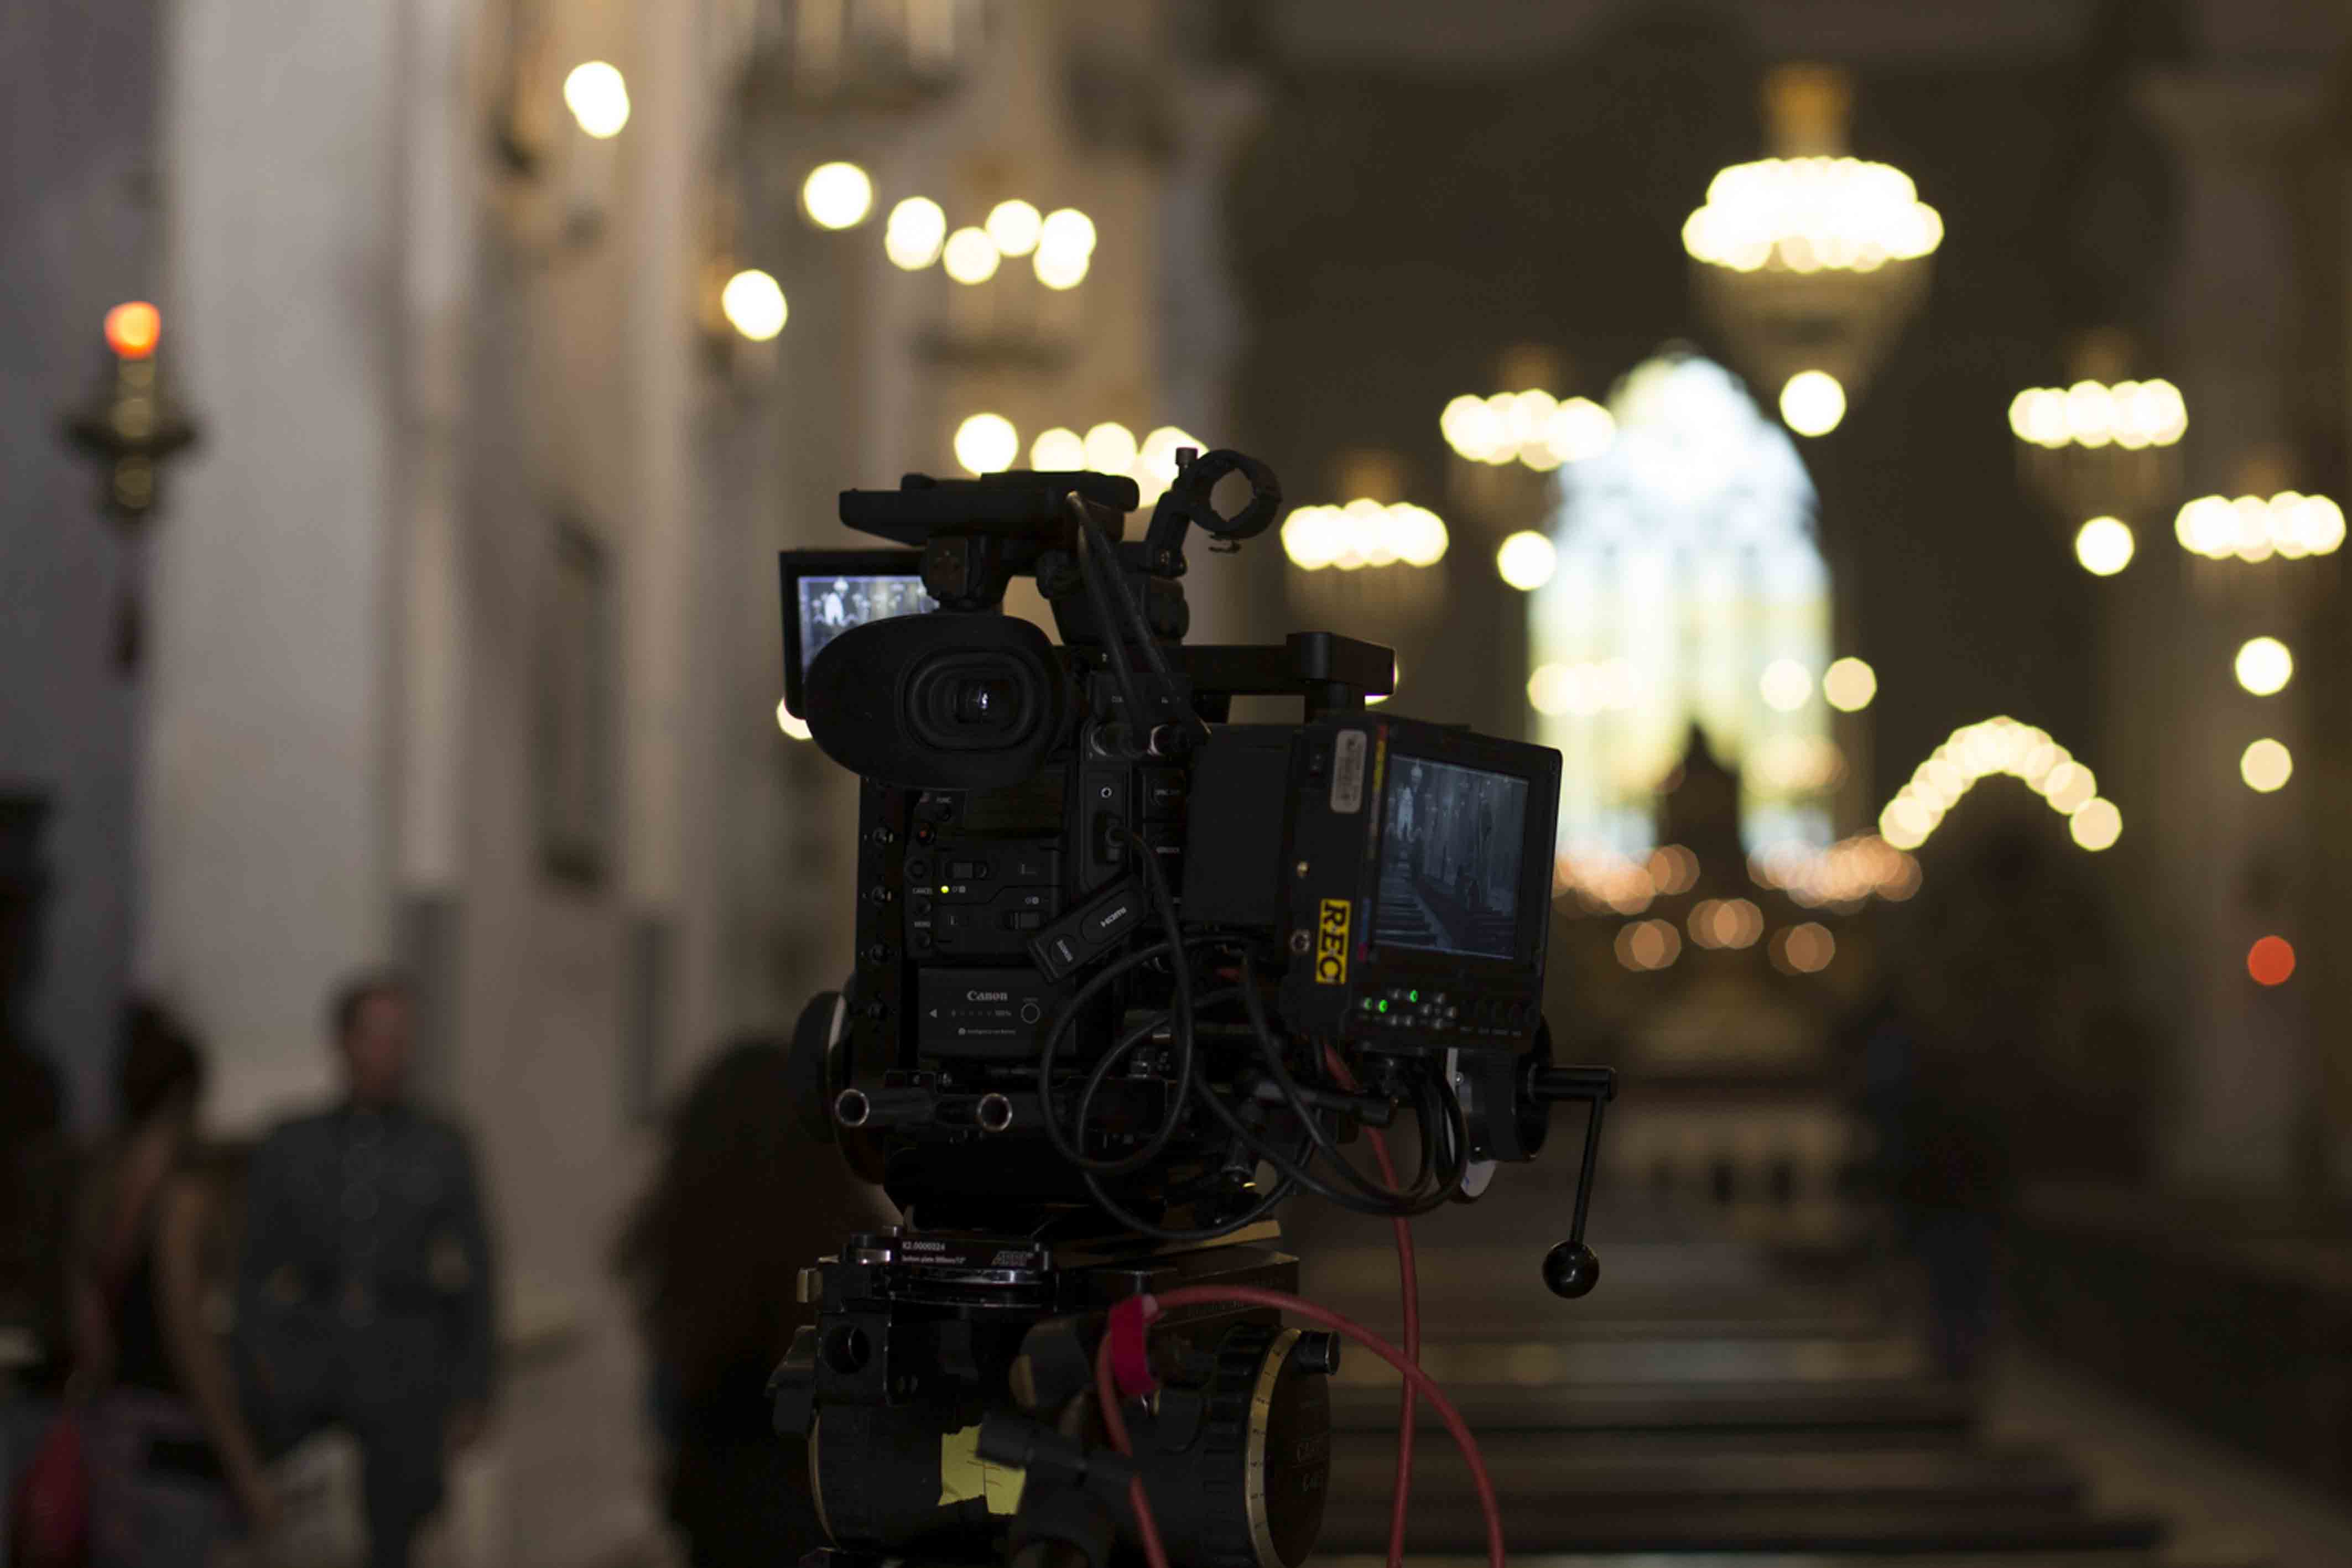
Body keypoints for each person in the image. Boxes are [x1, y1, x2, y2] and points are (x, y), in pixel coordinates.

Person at [237, 973, 496, 1568]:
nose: (390, 1053)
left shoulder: (441, 1147)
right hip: (308, 1378)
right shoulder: (293, 1145)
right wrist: (264, 1364)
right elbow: (253, 1273)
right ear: (345, 1042)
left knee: (395, 1537)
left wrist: (472, 1388)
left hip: (405, 1380)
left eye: (401, 1039)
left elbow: (477, 1275)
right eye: (377, 1037)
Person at [613, 1037, 894, 1568]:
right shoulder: (857, 1253)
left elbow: (669, 1409)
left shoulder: (684, 1253)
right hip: (834, 1515)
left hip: (717, 1520)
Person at [76, 1002, 278, 1567]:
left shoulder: (98, 1190)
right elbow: (187, 1334)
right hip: (172, 1450)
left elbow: (90, 1337)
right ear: (184, 1097)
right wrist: (244, 1465)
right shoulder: (183, 1199)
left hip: (110, 1439)